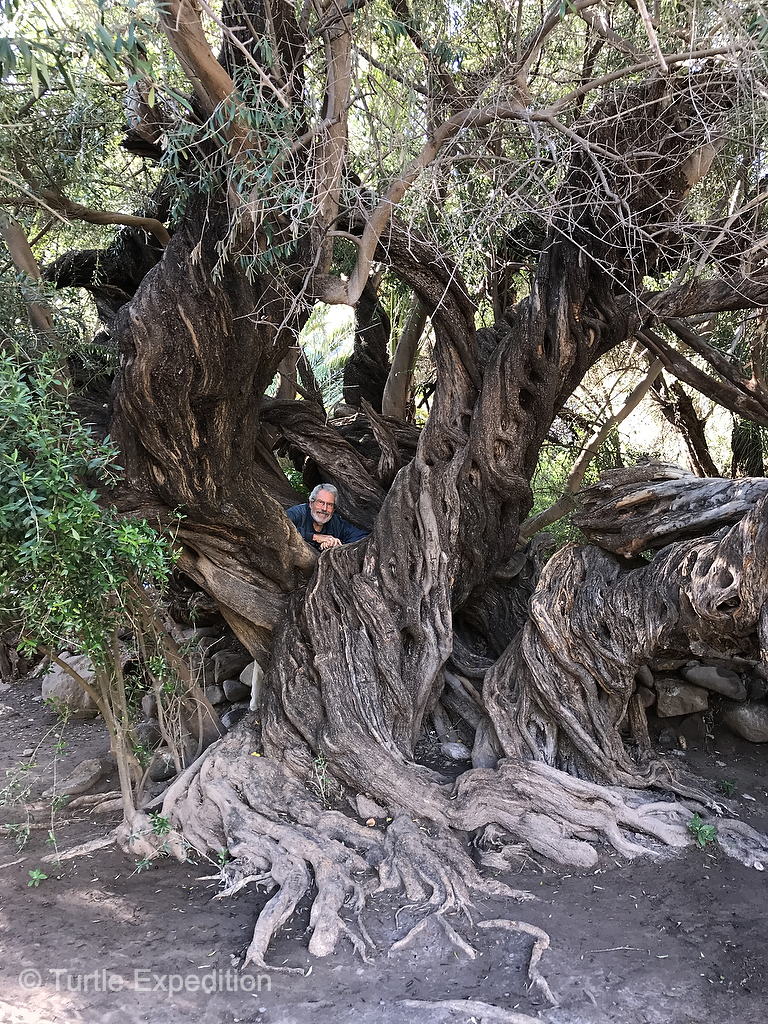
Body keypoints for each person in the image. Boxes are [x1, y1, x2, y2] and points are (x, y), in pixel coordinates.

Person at [286, 483, 368, 550]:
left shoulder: (336, 523)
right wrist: (315, 537)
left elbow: (363, 538)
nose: (324, 508)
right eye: (320, 502)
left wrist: (336, 543)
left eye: (329, 504)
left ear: (333, 510)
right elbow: (279, 527)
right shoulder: (297, 513)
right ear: (311, 504)